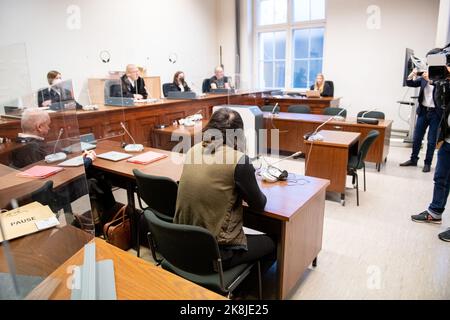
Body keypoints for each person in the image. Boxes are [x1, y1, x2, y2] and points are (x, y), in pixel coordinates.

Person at [174, 108, 275, 270]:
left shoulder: (193, 149)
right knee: (271, 243)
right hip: (214, 253)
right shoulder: (239, 160)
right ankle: (242, 289)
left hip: (182, 242)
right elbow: (259, 204)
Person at [411, 63, 450, 242]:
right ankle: (435, 212)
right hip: (448, 139)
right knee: (440, 178)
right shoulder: (444, 84)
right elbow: (442, 102)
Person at [400, 62, 442, 173]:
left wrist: (430, 80)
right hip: (423, 111)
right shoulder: (423, 79)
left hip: (435, 114)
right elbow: (409, 83)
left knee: (431, 140)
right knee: (417, 137)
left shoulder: (441, 80)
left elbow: (439, 87)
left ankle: (427, 163)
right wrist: (411, 75)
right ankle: (413, 159)